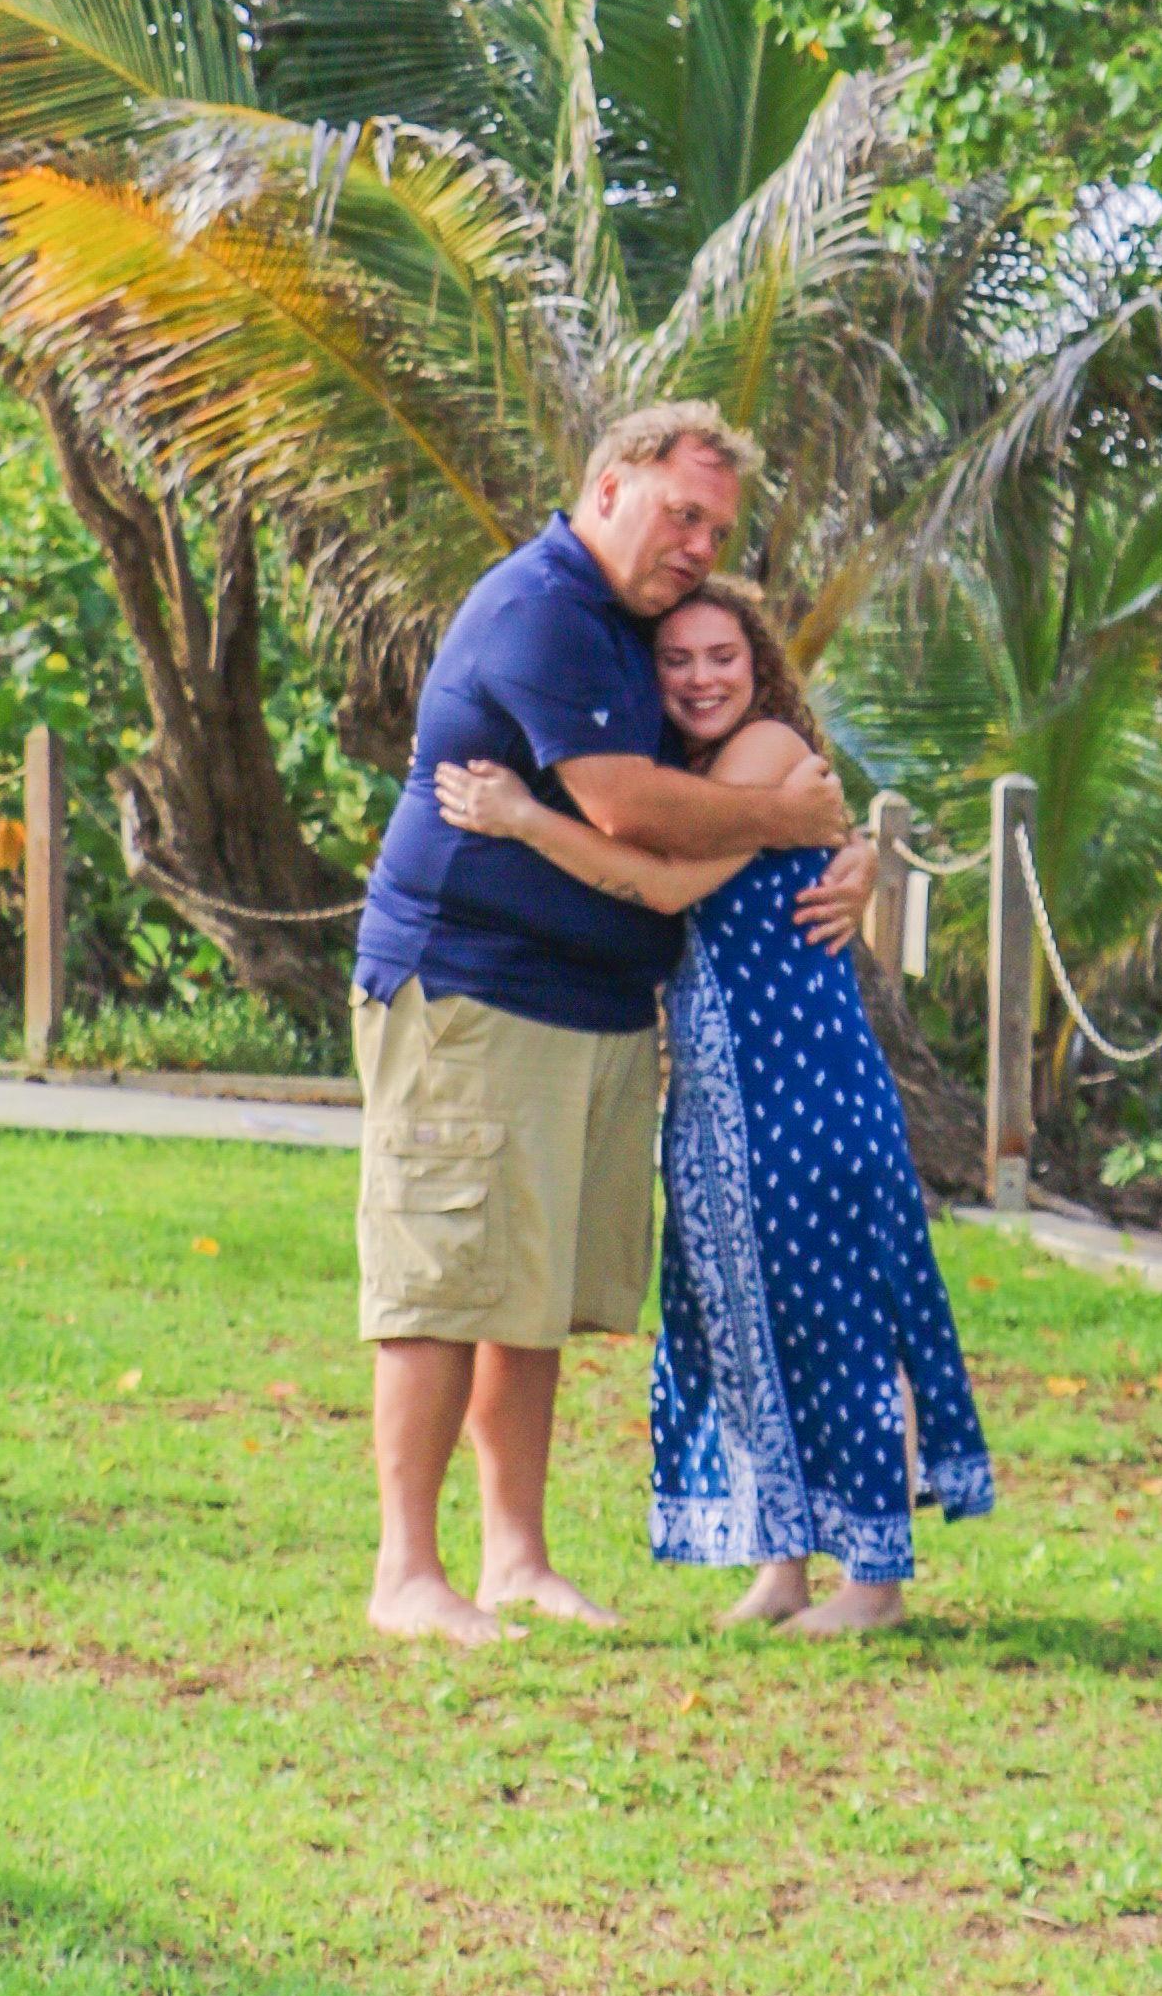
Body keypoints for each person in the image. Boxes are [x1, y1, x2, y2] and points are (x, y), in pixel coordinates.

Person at [348, 407, 878, 1645]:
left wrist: (845, 855)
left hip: (589, 1001)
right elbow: (632, 808)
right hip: (470, 989)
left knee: (526, 1292)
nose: (697, 545)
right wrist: (786, 824)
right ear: (605, 489)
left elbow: (768, 759)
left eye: (718, 529)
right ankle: (406, 1576)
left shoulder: (636, 627)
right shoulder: (542, 609)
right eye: (680, 513)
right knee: (442, 1280)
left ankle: (516, 1560)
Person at [434, 584, 993, 1636]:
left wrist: (521, 818)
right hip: (715, 1093)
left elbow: (666, 887)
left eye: (721, 656)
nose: (699, 677)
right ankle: (780, 1570)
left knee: (837, 1319)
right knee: (742, 1320)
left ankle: (873, 1584)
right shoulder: (682, 777)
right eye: (677, 660)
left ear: (760, 666)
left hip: (804, 1086)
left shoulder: (766, 752)